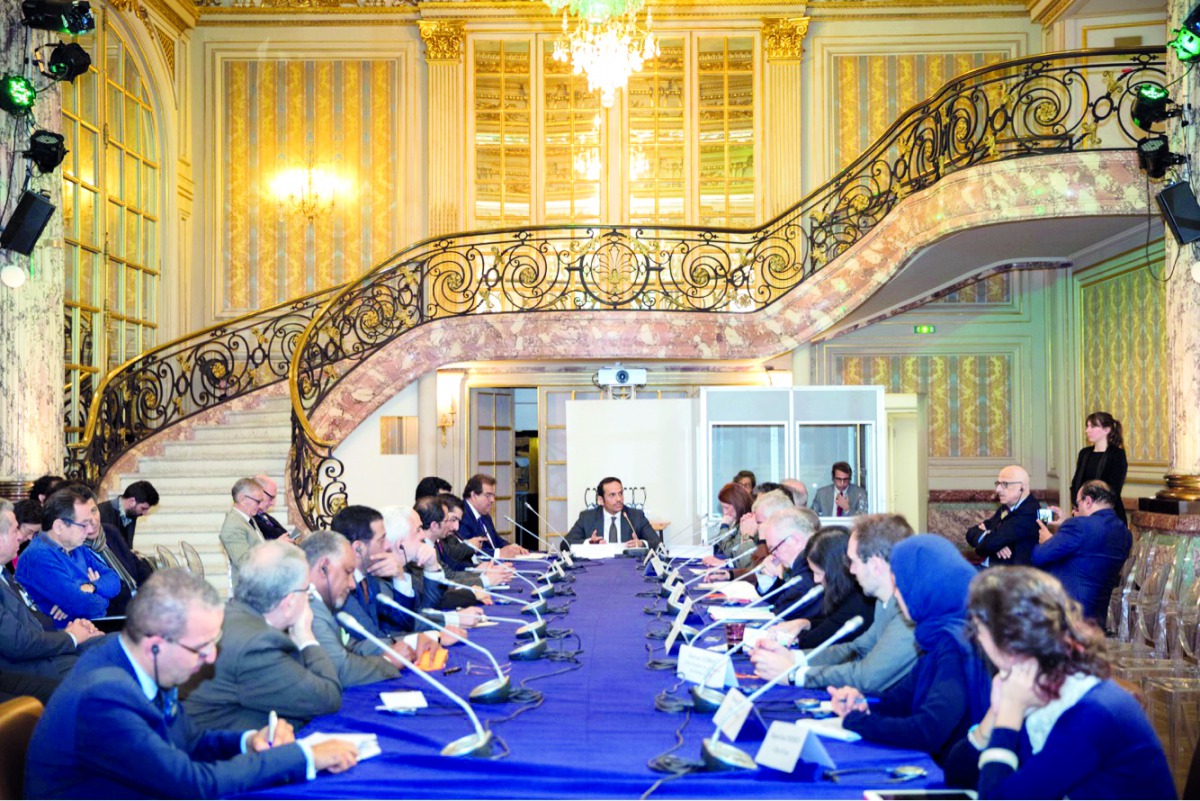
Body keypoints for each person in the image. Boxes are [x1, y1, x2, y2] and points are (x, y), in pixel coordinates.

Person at [24, 568, 358, 799]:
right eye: (201, 647)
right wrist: (302, 756)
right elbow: (193, 785)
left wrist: (248, 741)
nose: (211, 658)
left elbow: (191, 741)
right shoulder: (103, 697)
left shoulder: (138, 661)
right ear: (156, 642)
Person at [943, 567, 1174, 799]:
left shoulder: (1092, 713)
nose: (978, 642)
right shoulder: (1041, 681)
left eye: (978, 631)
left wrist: (1008, 715)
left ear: (1008, 643)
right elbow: (957, 776)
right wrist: (995, 714)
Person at [832, 534, 991, 764]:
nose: (897, 594)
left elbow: (929, 731)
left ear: (924, 588)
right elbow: (900, 702)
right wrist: (862, 702)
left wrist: (856, 721)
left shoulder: (956, 644)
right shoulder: (934, 634)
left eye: (901, 585)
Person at [182, 540, 343, 731]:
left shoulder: (233, 616)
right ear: (290, 602)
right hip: (220, 754)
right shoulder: (257, 645)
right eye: (307, 591)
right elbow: (327, 698)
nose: (309, 598)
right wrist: (306, 636)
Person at [751, 513, 917, 694]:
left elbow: (867, 677)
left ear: (875, 566)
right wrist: (795, 657)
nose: (850, 570)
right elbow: (856, 649)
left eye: (853, 562)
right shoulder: (884, 602)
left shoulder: (910, 611)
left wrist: (795, 674)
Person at [0, 498, 103, 687]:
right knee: (106, 671)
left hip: (45, 648)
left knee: (115, 647)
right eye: (15, 530)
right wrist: (71, 636)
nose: (21, 537)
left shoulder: (3, 573)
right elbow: (18, 642)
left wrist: (72, 630)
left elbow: (113, 587)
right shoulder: (38, 555)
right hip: (27, 668)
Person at [301, 530, 401, 687]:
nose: (352, 584)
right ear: (323, 568)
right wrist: (389, 661)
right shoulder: (306, 607)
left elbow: (351, 647)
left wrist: (398, 646)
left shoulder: (323, 604)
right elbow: (341, 670)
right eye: (347, 573)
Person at [1031, 480, 1131, 629]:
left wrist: (1050, 540)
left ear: (1088, 501)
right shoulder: (1124, 533)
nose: (1075, 511)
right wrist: (1065, 528)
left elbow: (1038, 556)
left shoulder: (1079, 526)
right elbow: (1087, 553)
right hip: (1097, 617)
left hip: (1066, 615)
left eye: (1077, 505)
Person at [17, 485, 122, 624]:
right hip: (61, 640)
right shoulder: (38, 556)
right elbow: (86, 606)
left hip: (85, 632)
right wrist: (100, 596)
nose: (89, 530)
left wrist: (91, 587)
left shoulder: (78, 548)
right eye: (83, 524)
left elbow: (115, 580)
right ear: (59, 527)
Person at [784, 527, 874, 650]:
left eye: (818, 573)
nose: (816, 580)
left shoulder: (857, 601)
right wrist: (806, 623)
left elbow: (814, 642)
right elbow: (830, 622)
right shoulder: (847, 591)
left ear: (835, 570)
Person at [965, 465, 1039, 566]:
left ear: (1022, 487)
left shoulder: (1030, 512)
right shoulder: (1006, 507)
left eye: (1005, 484)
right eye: (998, 484)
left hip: (1008, 576)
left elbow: (989, 545)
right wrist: (989, 537)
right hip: (990, 569)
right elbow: (970, 533)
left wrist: (992, 540)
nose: (998, 489)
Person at [565, 477, 660, 549]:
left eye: (620, 493)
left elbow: (657, 543)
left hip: (628, 568)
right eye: (612, 495)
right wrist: (588, 543)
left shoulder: (636, 516)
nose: (619, 499)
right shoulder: (587, 517)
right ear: (601, 500)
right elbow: (565, 544)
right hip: (597, 569)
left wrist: (641, 544)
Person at [1068, 411, 1128, 524]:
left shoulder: (1117, 455)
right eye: (1087, 426)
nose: (1087, 430)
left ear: (1107, 430)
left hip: (1107, 516)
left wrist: (1090, 509)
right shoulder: (1084, 453)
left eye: (1093, 426)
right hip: (1083, 514)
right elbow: (1076, 484)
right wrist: (1078, 507)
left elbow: (1113, 490)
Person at [458, 473, 527, 556]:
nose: (492, 500)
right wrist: (499, 553)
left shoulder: (484, 515)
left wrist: (513, 548)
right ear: (474, 495)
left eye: (493, 495)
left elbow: (496, 540)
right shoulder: (461, 516)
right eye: (488, 495)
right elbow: (469, 552)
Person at [219, 477, 267, 578]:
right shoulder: (234, 525)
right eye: (258, 501)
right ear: (243, 500)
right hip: (251, 586)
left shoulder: (246, 518)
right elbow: (244, 563)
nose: (260, 506)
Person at [99, 480, 159, 548]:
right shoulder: (101, 513)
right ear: (132, 501)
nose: (145, 513)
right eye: (143, 508)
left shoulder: (132, 513)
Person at [712, 482, 753, 560]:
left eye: (726, 508)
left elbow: (730, 552)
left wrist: (724, 526)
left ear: (737, 504)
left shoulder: (747, 521)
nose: (724, 512)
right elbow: (721, 545)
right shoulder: (736, 520)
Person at [252, 475, 290, 540]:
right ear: (258, 492)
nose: (273, 503)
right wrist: (277, 543)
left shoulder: (264, 516)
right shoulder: (248, 520)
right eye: (270, 498)